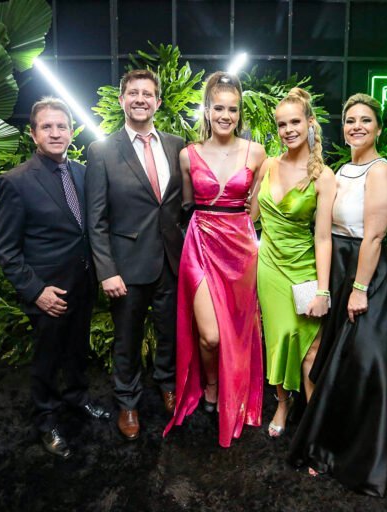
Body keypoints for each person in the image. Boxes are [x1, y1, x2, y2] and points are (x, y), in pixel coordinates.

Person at [287, 93, 387, 497]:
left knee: (365, 359)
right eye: (350, 120)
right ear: (342, 128)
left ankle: (363, 448)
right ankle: (332, 438)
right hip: (340, 267)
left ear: (378, 128)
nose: (357, 126)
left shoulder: (381, 171)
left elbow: (374, 236)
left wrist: (360, 289)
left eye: (365, 120)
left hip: (366, 271)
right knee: (333, 356)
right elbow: (325, 230)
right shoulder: (341, 170)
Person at [0, 97, 111, 459]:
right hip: (49, 292)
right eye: (47, 126)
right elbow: (7, 250)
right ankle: (46, 421)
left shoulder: (83, 172)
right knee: (46, 360)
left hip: (83, 283)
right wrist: (36, 291)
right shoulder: (15, 182)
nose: (56, 133)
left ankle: (77, 397)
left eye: (62, 126)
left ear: (71, 132)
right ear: (33, 134)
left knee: (77, 350)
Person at [164, 71, 266, 448]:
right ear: (207, 111)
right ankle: (210, 384)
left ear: (240, 113)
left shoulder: (256, 153)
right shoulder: (188, 155)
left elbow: (256, 207)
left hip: (240, 249)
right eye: (219, 108)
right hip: (201, 244)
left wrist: (245, 236)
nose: (226, 115)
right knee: (209, 335)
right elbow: (187, 203)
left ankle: (233, 390)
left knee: (239, 329)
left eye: (233, 109)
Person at [86, 69, 185, 441]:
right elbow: (96, 219)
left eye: (147, 93)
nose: (140, 99)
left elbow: (183, 206)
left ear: (158, 102)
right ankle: (127, 401)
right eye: (133, 93)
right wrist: (106, 270)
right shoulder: (102, 151)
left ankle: (168, 384)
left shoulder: (177, 145)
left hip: (171, 261)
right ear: (122, 100)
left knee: (170, 333)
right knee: (127, 340)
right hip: (126, 267)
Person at [249, 88, 335, 438]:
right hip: (269, 268)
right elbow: (250, 216)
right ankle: (282, 404)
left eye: (295, 122)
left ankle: (315, 426)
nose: (288, 130)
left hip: (303, 269)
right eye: (282, 124)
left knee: (311, 349)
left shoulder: (323, 176)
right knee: (278, 339)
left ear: (310, 123)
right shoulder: (268, 165)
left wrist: (323, 291)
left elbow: (323, 237)